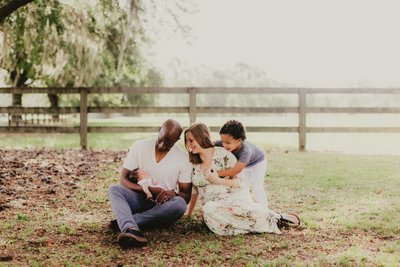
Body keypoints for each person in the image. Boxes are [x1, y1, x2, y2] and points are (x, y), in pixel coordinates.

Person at [184, 122, 299, 235]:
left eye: (191, 140)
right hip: (213, 205)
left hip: (232, 196)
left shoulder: (224, 155)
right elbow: (195, 190)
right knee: (209, 210)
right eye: (187, 141)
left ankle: (274, 218)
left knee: (244, 203)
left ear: (201, 138)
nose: (188, 144)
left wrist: (217, 180)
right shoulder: (192, 163)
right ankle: (260, 222)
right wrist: (189, 212)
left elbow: (238, 183)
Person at [108, 119, 192, 248]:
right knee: (114, 189)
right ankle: (132, 228)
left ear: (177, 140)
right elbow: (123, 180)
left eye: (168, 144)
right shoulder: (139, 146)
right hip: (139, 199)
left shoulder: (184, 158)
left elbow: (186, 195)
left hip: (163, 206)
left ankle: (128, 222)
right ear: (159, 130)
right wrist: (148, 190)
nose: (162, 146)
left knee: (179, 204)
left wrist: (173, 193)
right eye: (161, 139)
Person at [216, 120, 269, 207]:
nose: (224, 145)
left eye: (227, 143)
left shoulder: (246, 151)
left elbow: (235, 171)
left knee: (256, 186)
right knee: (243, 187)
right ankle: (247, 205)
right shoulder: (226, 142)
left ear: (239, 141)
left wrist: (216, 174)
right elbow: (208, 144)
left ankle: (264, 208)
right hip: (245, 165)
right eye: (222, 141)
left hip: (258, 163)